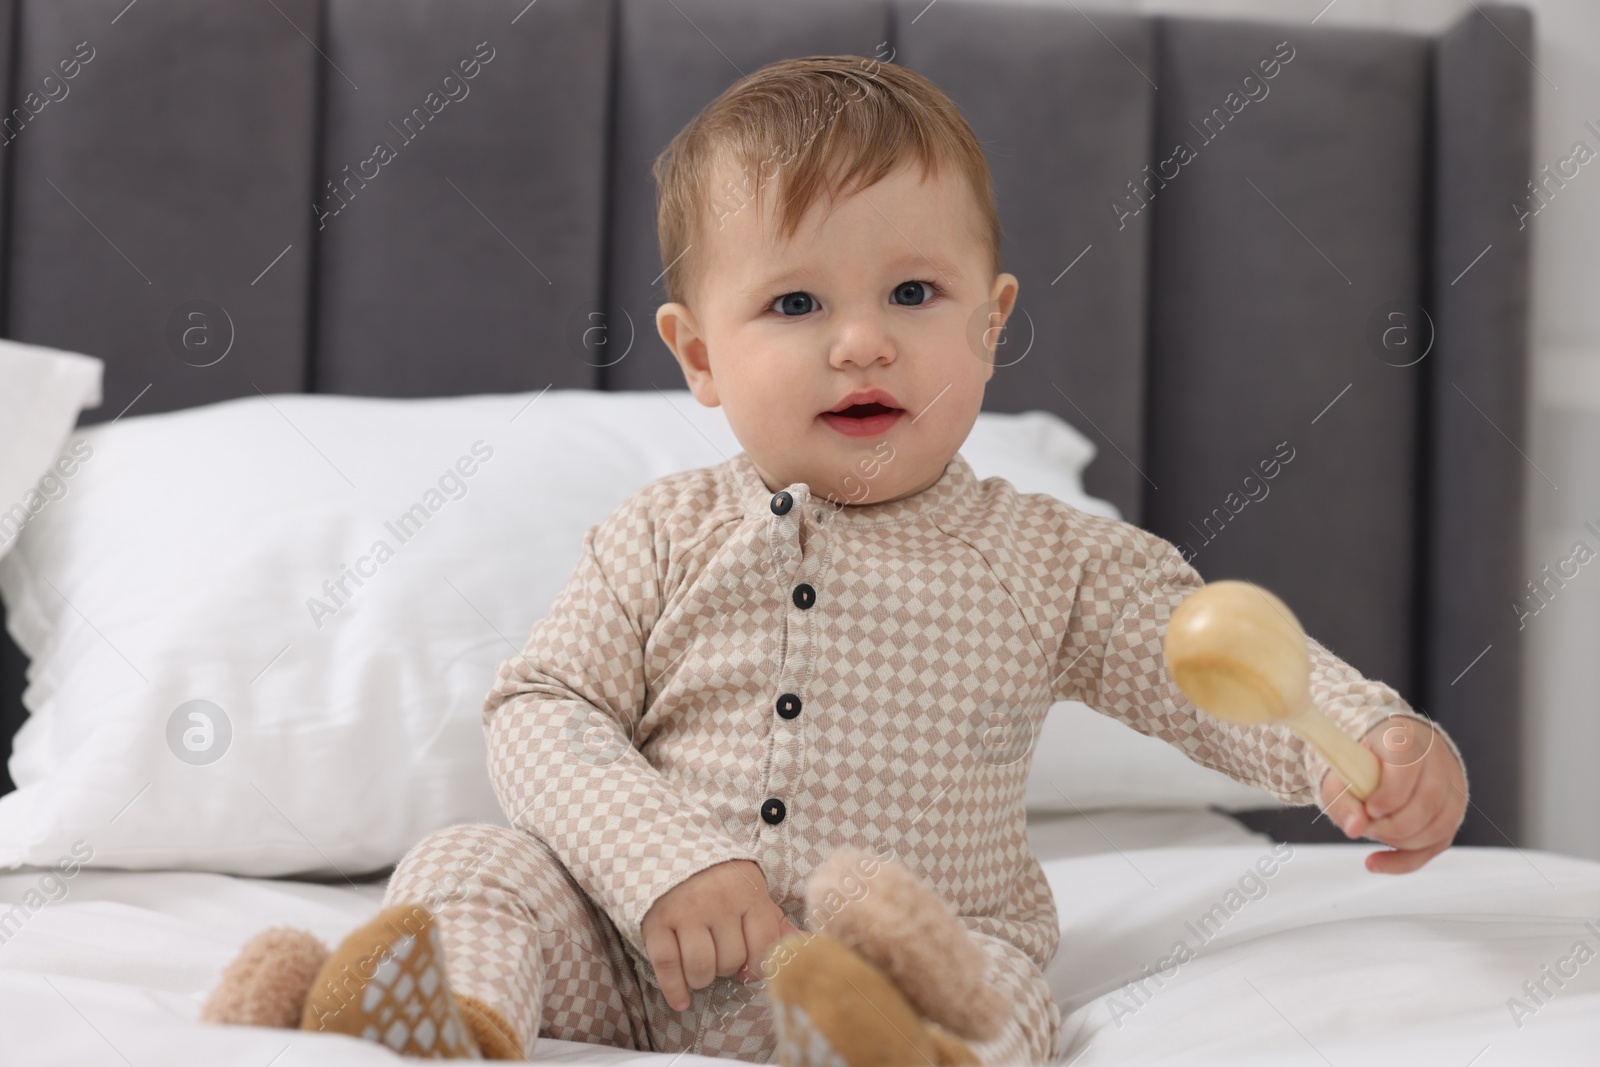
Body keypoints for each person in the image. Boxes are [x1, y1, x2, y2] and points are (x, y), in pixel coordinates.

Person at [277, 54, 1471, 1063]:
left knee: (1001, 975)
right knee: (468, 859)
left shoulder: (1051, 557)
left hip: (897, 953)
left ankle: (913, 1050)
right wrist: (665, 865)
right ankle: (459, 1022)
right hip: (650, 954)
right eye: (793, 304)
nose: (861, 343)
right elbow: (541, 708)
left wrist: (1365, 744)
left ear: (988, 323)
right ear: (699, 356)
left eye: (912, 291)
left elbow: (1207, 665)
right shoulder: (659, 533)